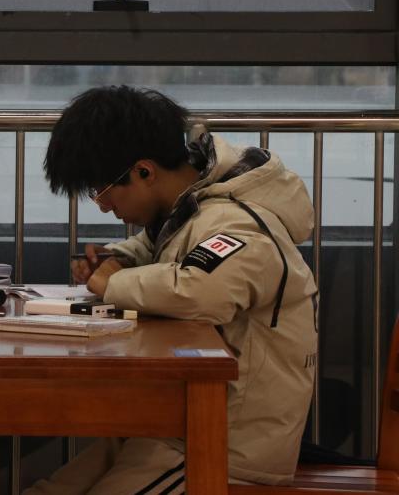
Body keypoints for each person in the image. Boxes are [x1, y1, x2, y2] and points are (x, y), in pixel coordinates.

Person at [27, 86, 318, 495]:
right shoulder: (191, 210)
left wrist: (112, 282)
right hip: (172, 425)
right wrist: (119, 258)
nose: (103, 205)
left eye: (102, 190)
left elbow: (199, 289)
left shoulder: (240, 224)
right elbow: (162, 248)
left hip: (225, 445)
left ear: (144, 172)